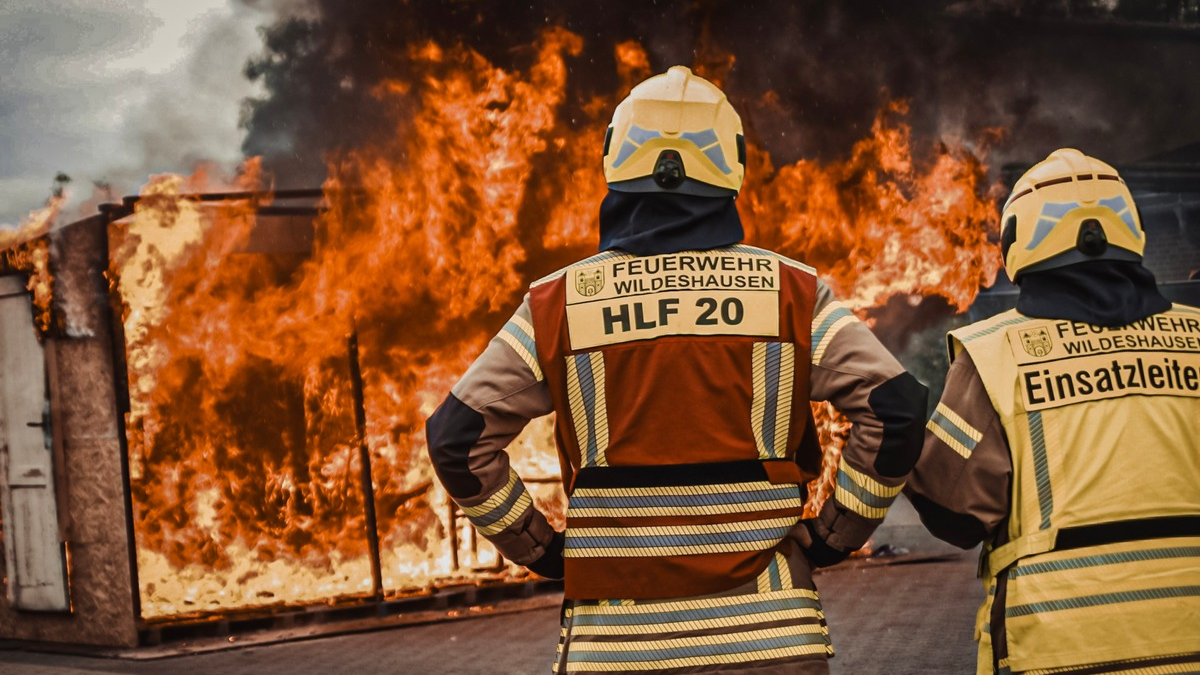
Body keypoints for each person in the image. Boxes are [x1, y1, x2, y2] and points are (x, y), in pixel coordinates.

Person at [426, 66, 927, 675]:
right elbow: (896, 409)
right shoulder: (789, 292)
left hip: (618, 651)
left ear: (616, 160)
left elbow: (457, 439)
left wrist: (542, 548)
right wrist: (832, 536)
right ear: (731, 165)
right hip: (770, 640)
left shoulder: (560, 304)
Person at [905, 148, 1200, 675]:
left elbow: (953, 514)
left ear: (1017, 242)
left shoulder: (995, 356)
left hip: (1058, 647)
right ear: (1130, 230)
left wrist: (900, 439)